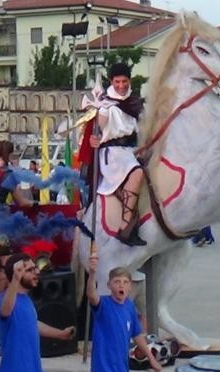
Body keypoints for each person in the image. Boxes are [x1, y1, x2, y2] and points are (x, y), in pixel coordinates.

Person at [0, 254, 75, 372]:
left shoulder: (26, 299)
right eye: (30, 270)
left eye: (35, 268)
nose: (37, 272)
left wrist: (60, 334)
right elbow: (5, 311)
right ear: (16, 274)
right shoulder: (4, 299)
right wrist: (15, 279)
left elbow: (33, 324)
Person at [88, 63, 147, 246]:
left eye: (125, 81)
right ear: (111, 82)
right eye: (117, 82)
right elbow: (99, 125)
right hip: (113, 154)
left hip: (132, 150)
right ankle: (126, 227)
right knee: (137, 173)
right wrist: (95, 136)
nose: (121, 85)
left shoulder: (135, 102)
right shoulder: (106, 104)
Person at [87, 257, 161, 372]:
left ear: (130, 286)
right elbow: (91, 295)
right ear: (109, 285)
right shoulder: (103, 304)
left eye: (125, 282)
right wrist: (92, 274)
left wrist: (151, 359)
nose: (121, 285)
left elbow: (137, 335)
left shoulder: (129, 307)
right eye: (117, 282)